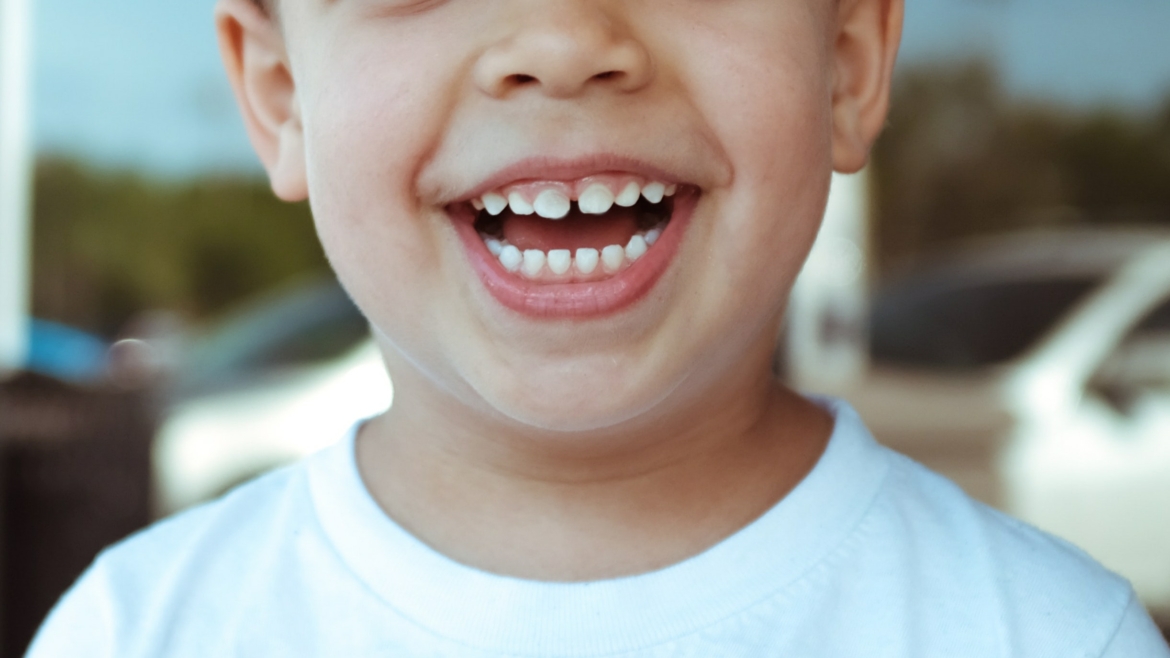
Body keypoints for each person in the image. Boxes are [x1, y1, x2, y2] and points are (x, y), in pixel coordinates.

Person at [26, 0, 1170, 655]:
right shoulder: (137, 637)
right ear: (281, 96)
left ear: (849, 61)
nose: (564, 38)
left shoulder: (1048, 639)